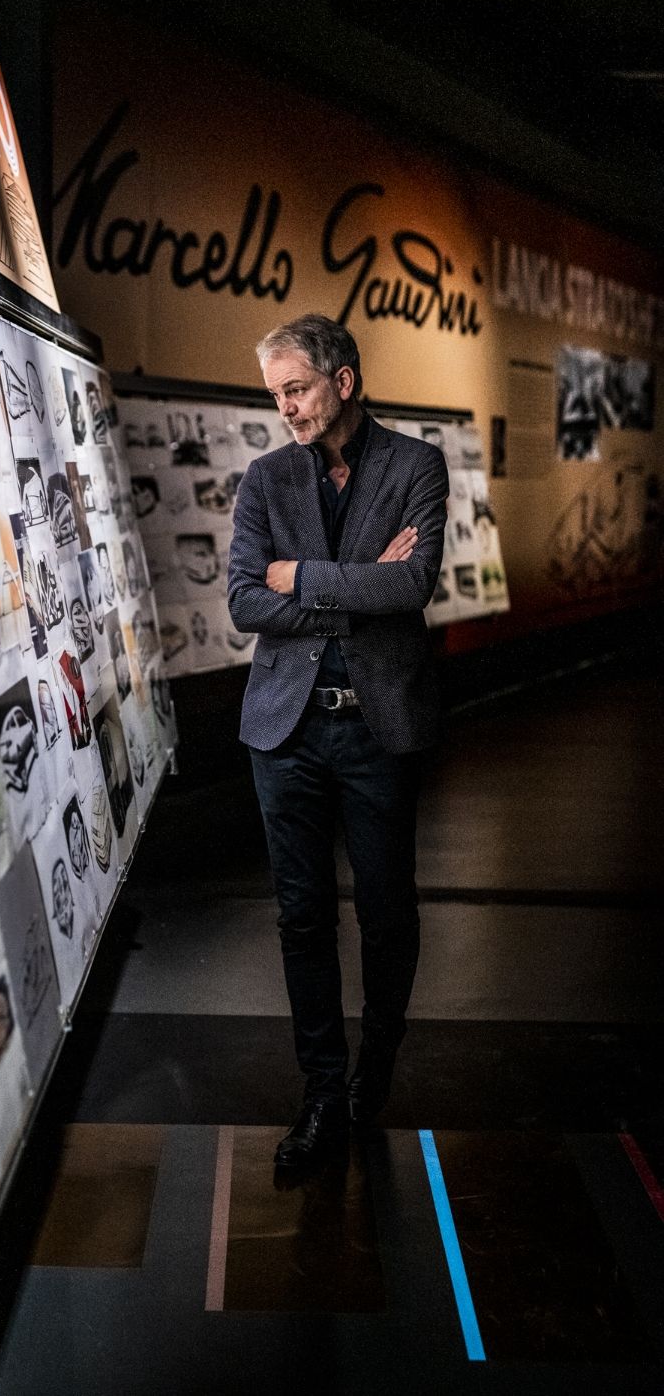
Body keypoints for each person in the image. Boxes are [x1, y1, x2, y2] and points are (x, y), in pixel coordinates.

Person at [228, 314, 448, 1169]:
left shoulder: (415, 466)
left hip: (376, 727)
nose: (284, 407)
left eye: (296, 389)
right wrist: (361, 587)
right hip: (283, 733)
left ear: (343, 381)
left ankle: (373, 1069)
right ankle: (322, 1095)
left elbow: (412, 584)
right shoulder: (266, 479)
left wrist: (305, 579)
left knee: (386, 914)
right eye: (275, 393)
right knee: (301, 916)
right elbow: (245, 601)